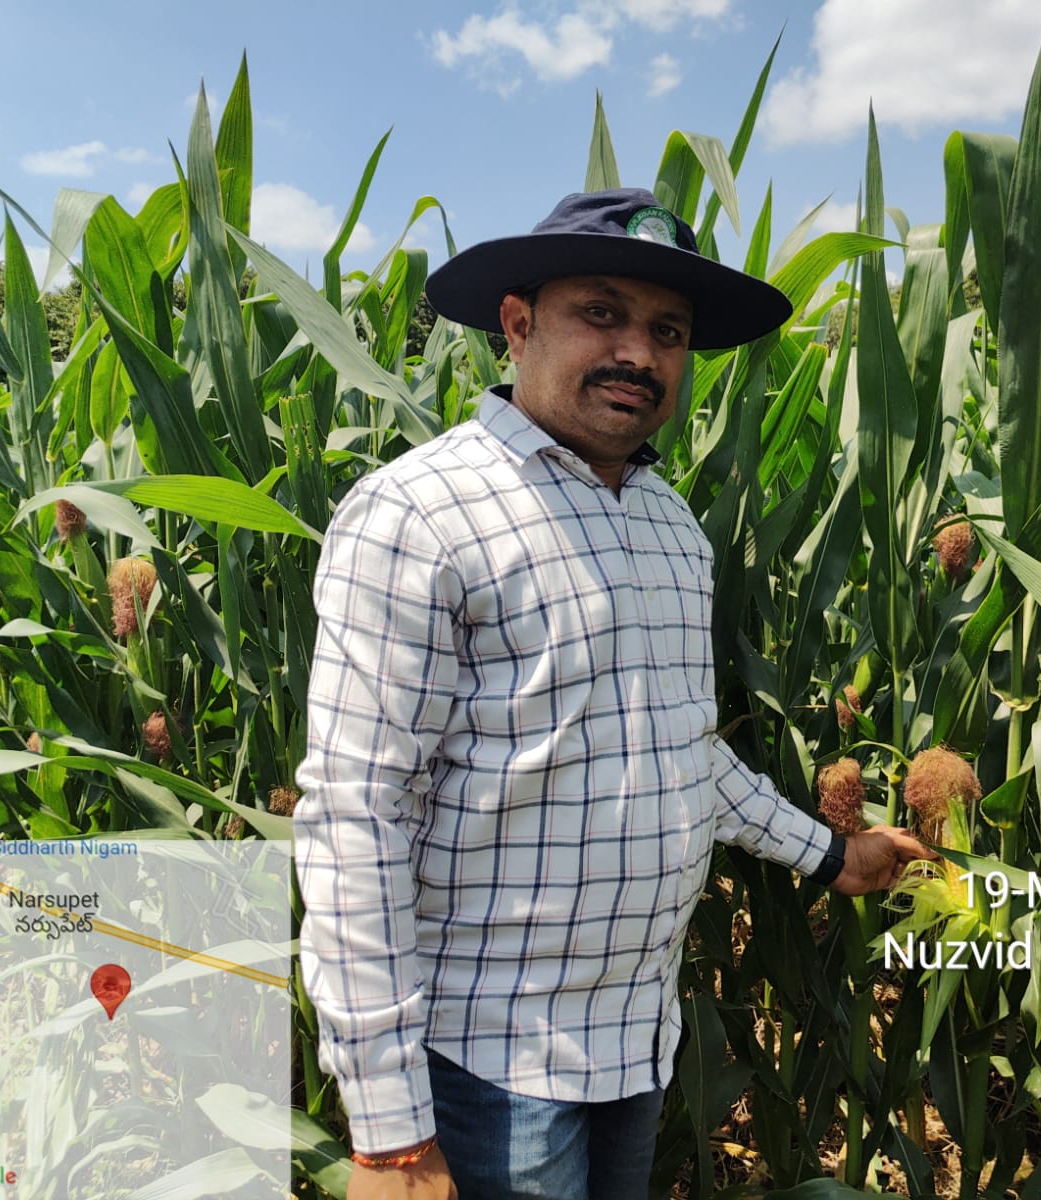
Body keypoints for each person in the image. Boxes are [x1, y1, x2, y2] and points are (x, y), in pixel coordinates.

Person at [293, 188, 931, 1200]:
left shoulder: (668, 524)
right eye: (602, 312)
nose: (638, 352)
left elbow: (682, 753)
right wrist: (389, 1133)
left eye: (667, 332)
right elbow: (356, 819)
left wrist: (831, 854)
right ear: (516, 321)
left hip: (636, 1038)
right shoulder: (419, 511)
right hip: (485, 1058)